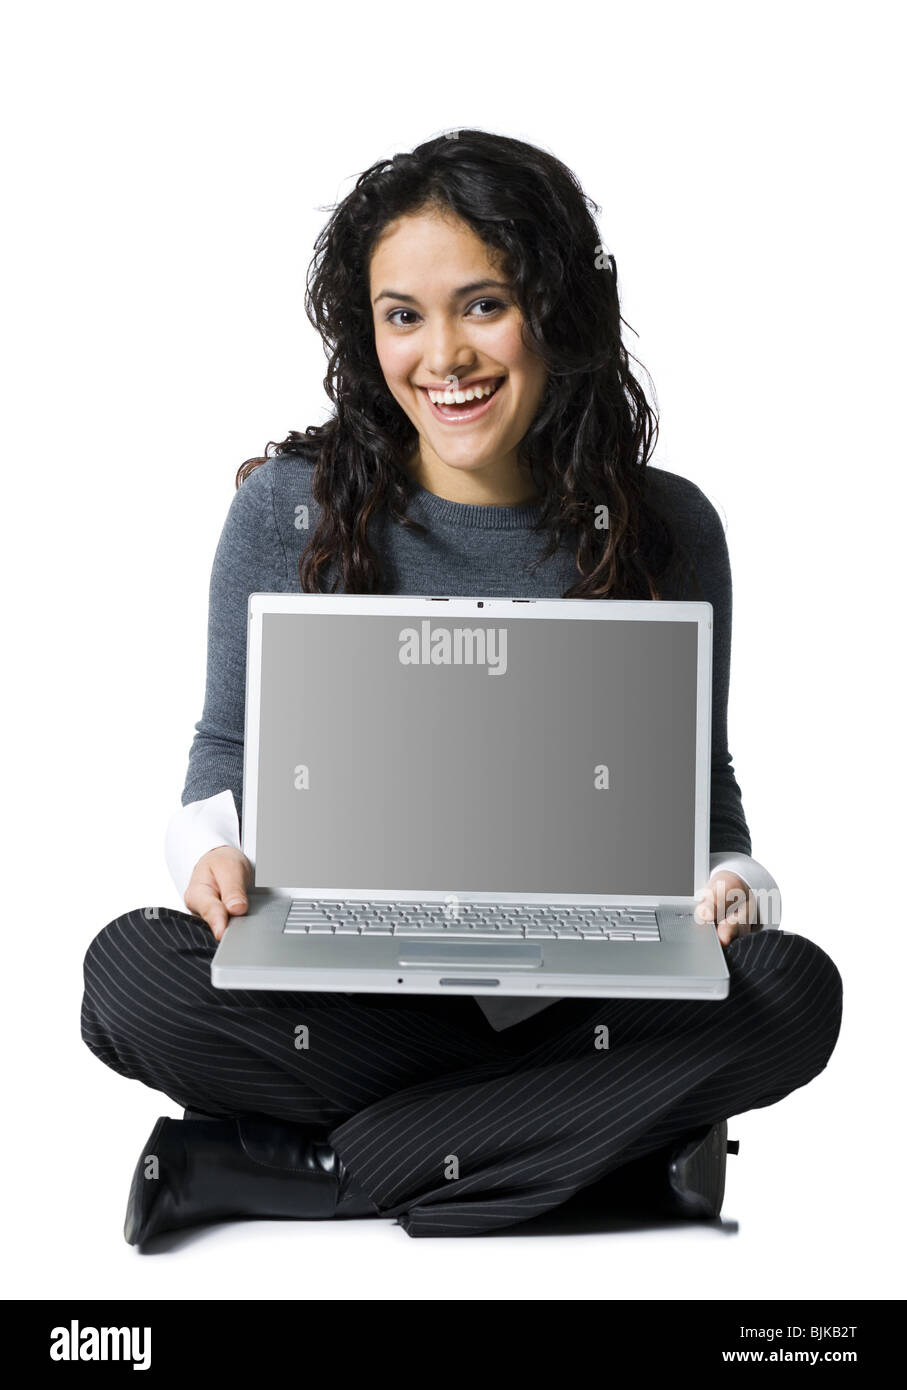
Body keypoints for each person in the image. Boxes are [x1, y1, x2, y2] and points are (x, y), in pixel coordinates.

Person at [81, 129, 843, 1245]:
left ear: (555, 311)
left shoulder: (669, 528)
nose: (443, 355)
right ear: (367, 330)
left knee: (793, 990)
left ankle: (311, 1166)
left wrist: (729, 881)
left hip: (583, 991)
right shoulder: (287, 508)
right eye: (403, 315)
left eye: (483, 304)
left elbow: (703, 794)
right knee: (130, 972)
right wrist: (212, 855)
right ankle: (604, 1150)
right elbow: (224, 754)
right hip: (351, 990)